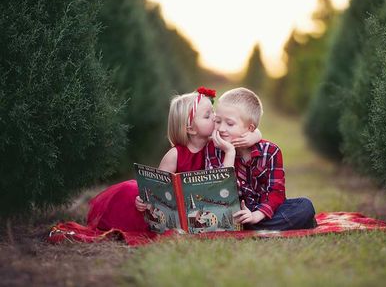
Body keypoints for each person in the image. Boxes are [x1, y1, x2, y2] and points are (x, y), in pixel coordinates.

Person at [87, 87, 261, 232]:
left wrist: (254, 136)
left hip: (200, 210)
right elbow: (156, 187)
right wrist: (145, 200)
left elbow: (250, 131)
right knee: (133, 205)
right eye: (208, 116)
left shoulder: (217, 144)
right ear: (190, 129)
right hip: (173, 212)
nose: (216, 118)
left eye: (213, 113)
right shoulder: (175, 155)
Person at [205, 87, 316, 231]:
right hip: (232, 211)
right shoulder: (213, 149)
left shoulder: (271, 151)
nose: (220, 128)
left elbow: (276, 192)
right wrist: (230, 154)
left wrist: (256, 215)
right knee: (224, 215)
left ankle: (249, 225)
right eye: (217, 121)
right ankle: (251, 225)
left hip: (262, 211)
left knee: (304, 206)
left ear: (250, 128)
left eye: (230, 123)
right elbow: (218, 193)